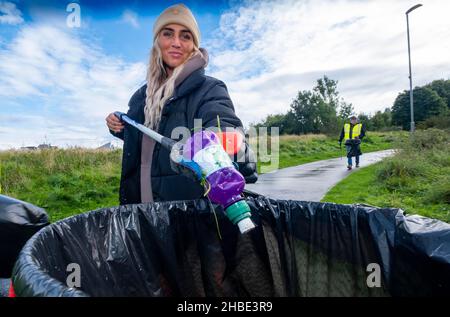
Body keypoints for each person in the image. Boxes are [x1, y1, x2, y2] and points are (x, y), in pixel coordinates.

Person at [106, 4, 257, 205]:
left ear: (193, 45)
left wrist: (227, 142)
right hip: (139, 205)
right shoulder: (140, 97)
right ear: (157, 41)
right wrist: (119, 128)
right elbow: (146, 140)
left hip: (190, 215)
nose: (176, 42)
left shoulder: (211, 88)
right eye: (168, 34)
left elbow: (226, 127)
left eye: (185, 36)